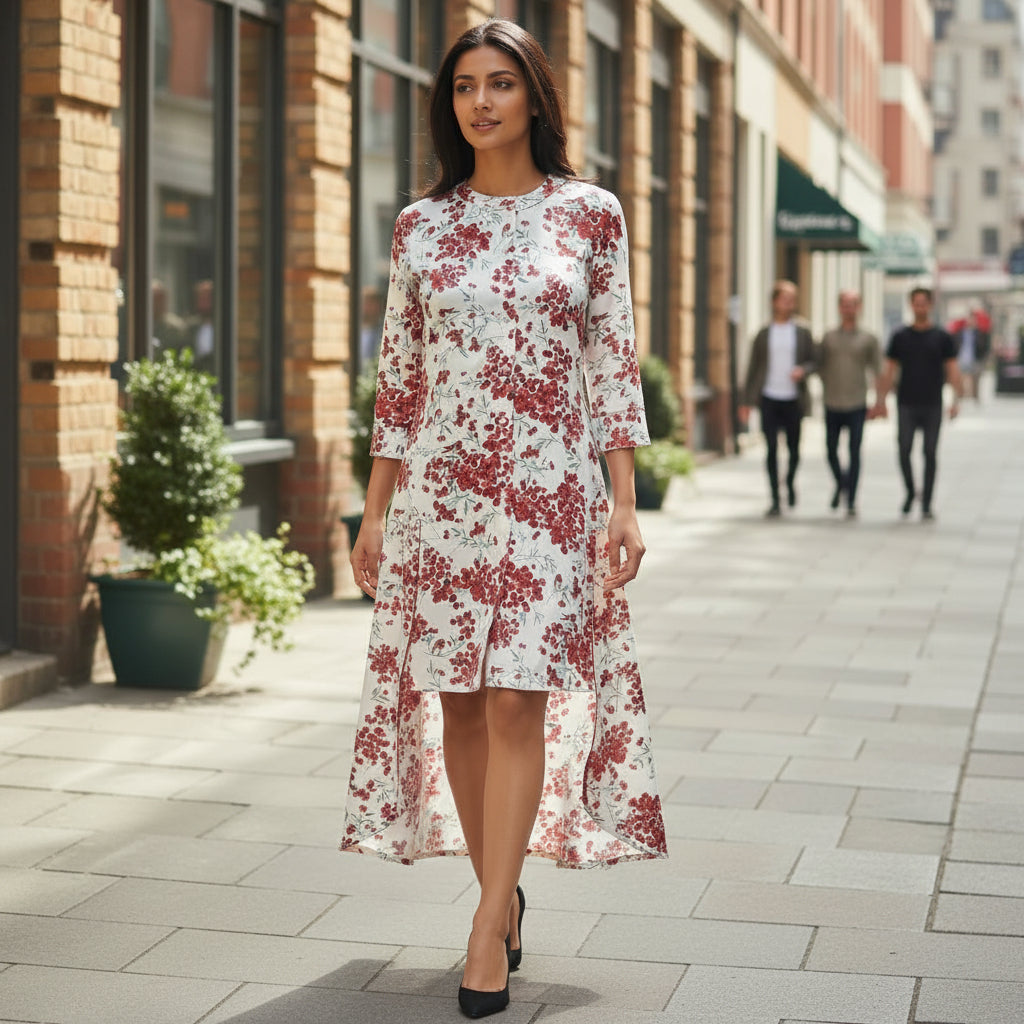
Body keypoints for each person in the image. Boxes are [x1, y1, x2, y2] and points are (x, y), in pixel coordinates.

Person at [340, 20, 667, 1021]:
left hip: (550, 494)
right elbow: (399, 381)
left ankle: (485, 928)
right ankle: (503, 891)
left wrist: (625, 498)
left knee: (521, 697)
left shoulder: (591, 215)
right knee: (462, 706)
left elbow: (611, 363)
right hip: (442, 496)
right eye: (466, 87)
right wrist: (374, 508)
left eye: (501, 83)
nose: (481, 101)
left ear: (534, 96)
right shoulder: (420, 227)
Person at [873, 286, 962, 520]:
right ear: (911, 305)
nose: (920, 307)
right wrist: (881, 400)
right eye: (916, 303)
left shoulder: (942, 337)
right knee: (903, 450)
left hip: (933, 403)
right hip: (906, 403)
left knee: (930, 453)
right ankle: (911, 492)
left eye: (924, 303)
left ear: (930, 305)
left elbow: (952, 369)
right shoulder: (900, 336)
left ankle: (927, 503)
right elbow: (888, 370)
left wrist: (955, 400)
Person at [739, 280, 816, 517]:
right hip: (769, 398)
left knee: (793, 450)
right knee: (771, 448)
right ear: (774, 302)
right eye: (785, 298)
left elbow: (815, 361)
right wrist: (746, 402)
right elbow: (752, 368)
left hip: (794, 398)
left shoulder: (802, 331)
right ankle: (775, 498)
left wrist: (803, 370)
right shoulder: (764, 333)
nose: (789, 303)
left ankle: (790, 482)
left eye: (792, 299)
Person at [816, 290, 881, 518]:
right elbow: (819, 365)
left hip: (857, 402)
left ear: (859, 307)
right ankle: (842, 484)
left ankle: (851, 499)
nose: (849, 308)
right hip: (832, 401)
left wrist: (879, 402)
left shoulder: (868, 339)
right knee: (831, 451)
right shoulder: (828, 337)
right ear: (839, 307)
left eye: (853, 304)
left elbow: (878, 371)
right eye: (845, 304)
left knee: (854, 451)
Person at [954, 307, 990, 401]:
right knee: (960, 380)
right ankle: (960, 397)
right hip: (962, 359)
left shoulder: (980, 333)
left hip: (975, 359)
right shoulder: (960, 332)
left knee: (976, 381)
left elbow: (985, 347)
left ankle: (976, 398)